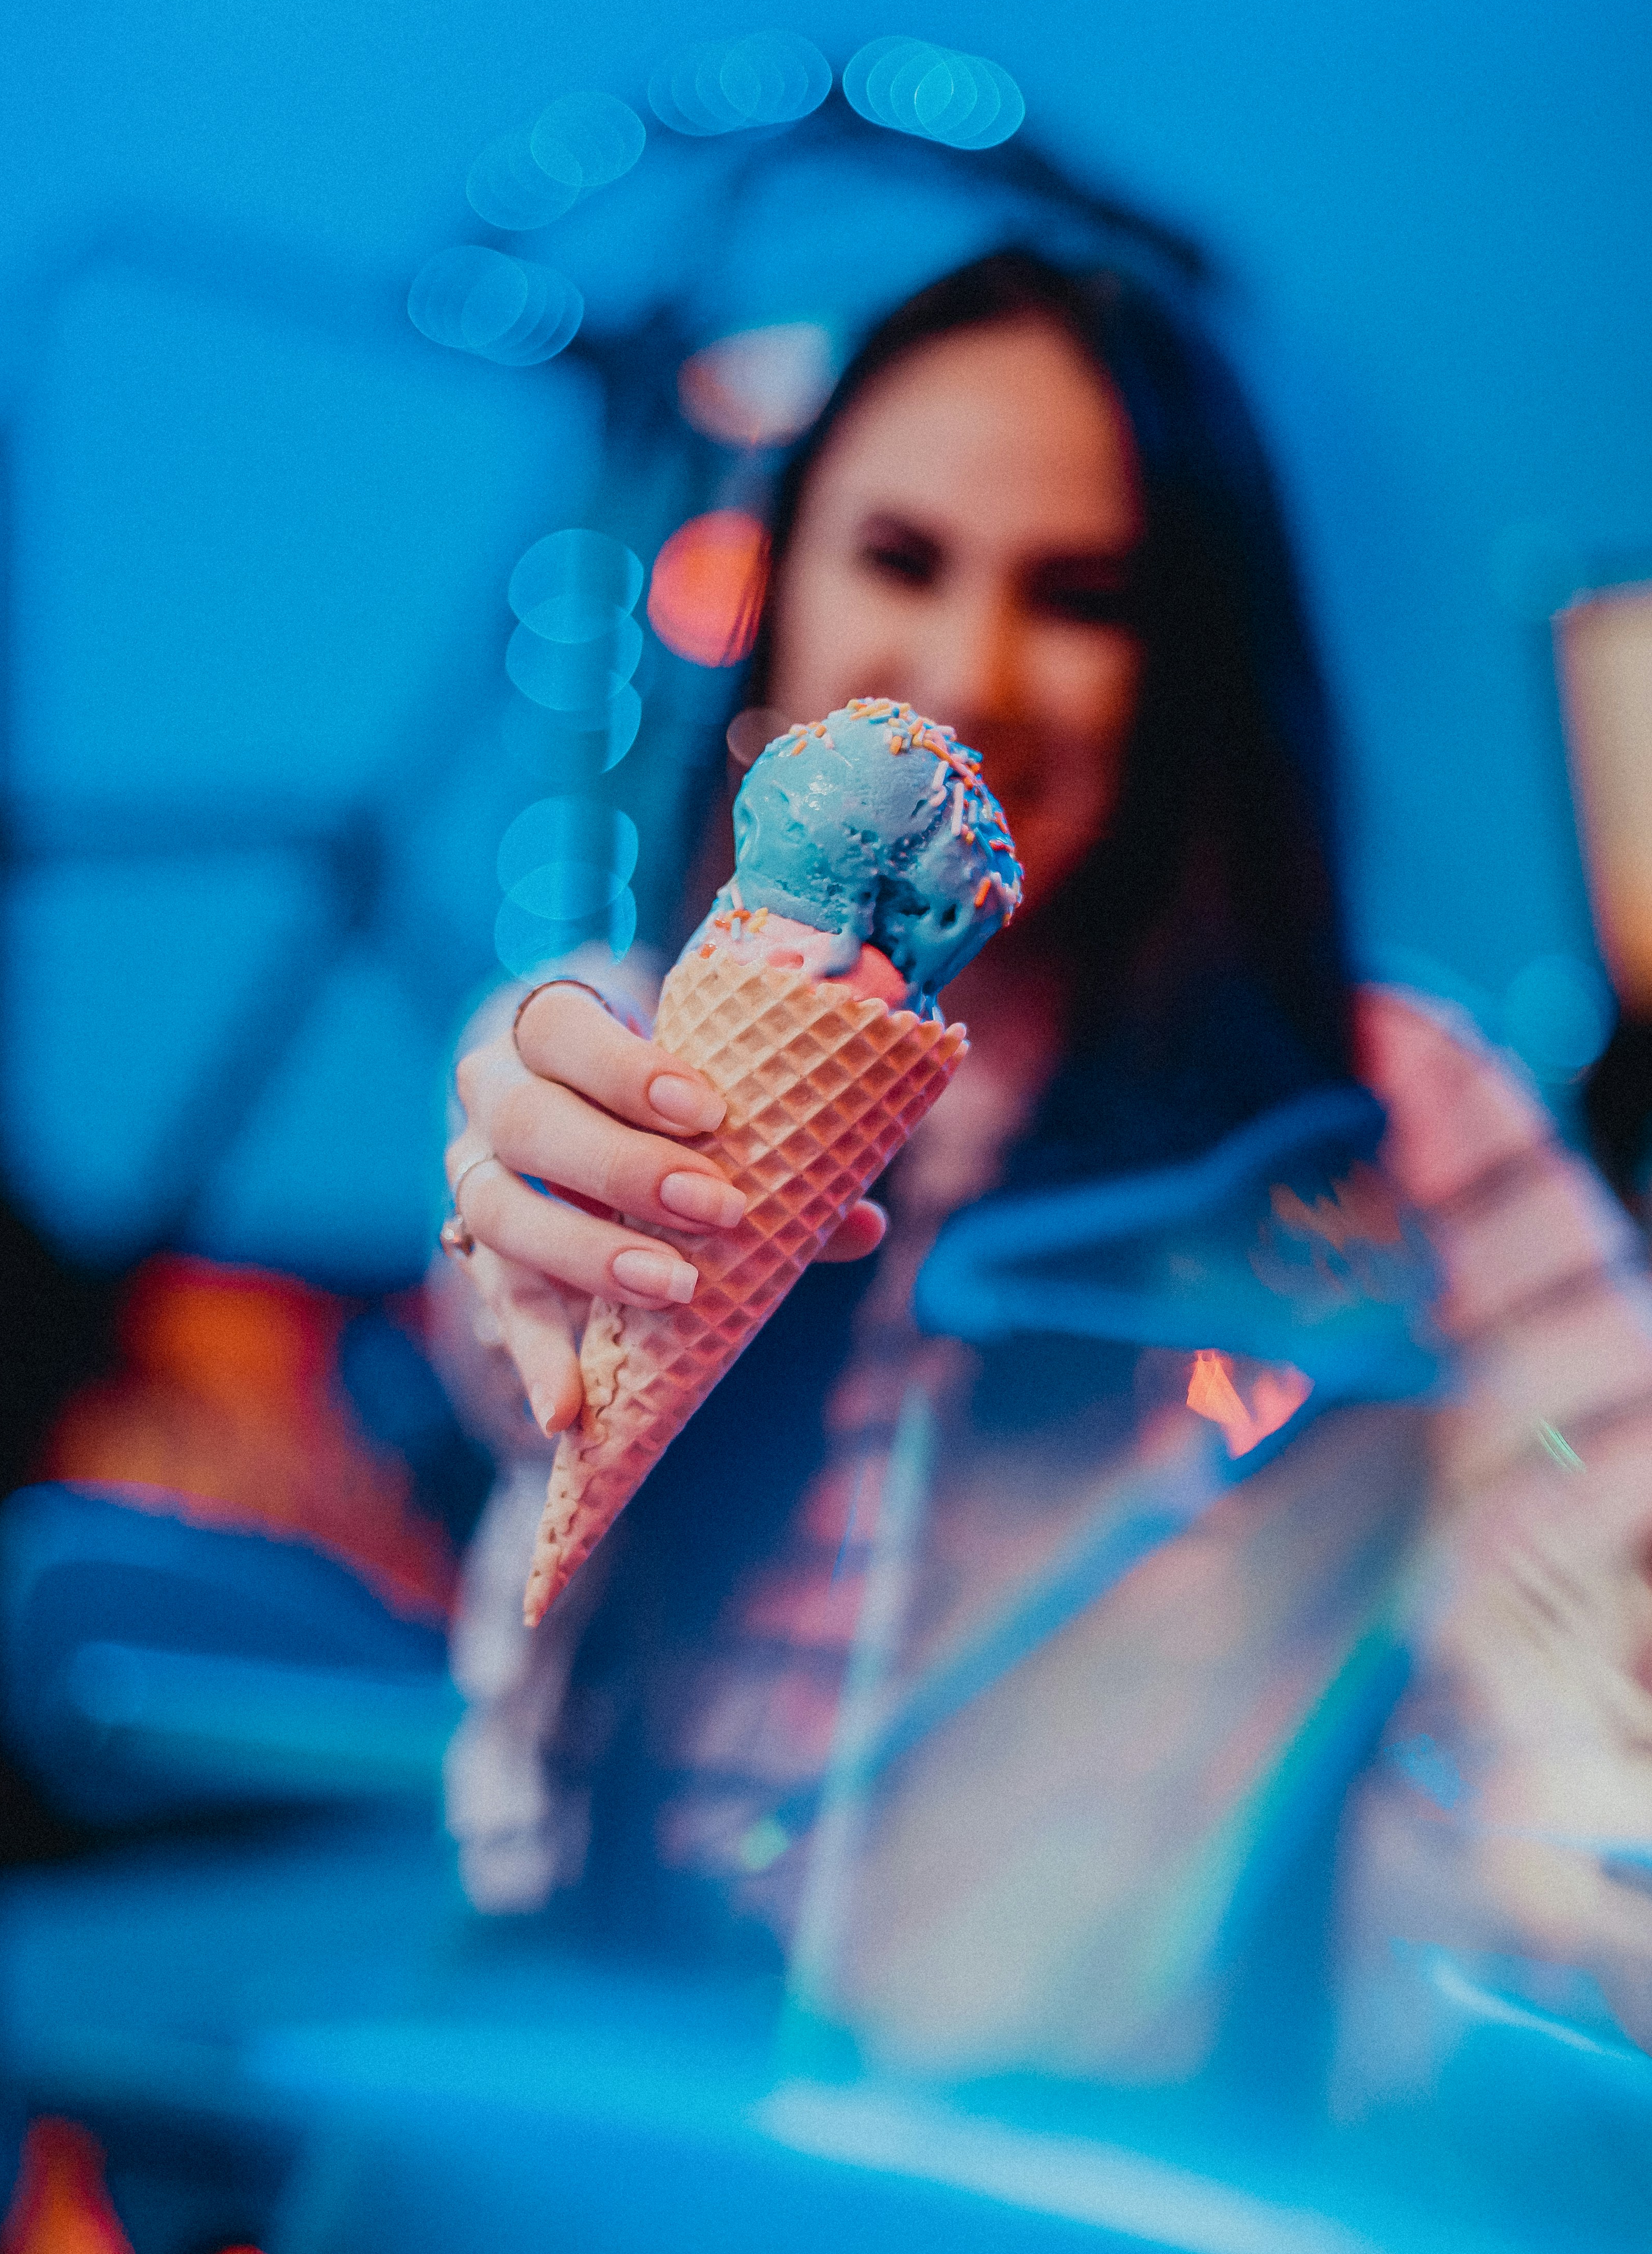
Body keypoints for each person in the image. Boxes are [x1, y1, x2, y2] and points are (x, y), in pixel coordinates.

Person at [430, 225, 1652, 2095]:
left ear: (1195, 664)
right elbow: (507, 1346)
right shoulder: (611, 1033)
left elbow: (1610, 1590)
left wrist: (1536, 1893)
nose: (966, 675)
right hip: (591, 2068)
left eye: (1080, 594)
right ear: (780, 603)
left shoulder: (1389, 1118)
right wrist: (523, 1215)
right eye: (898, 557)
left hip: (1112, 2159)